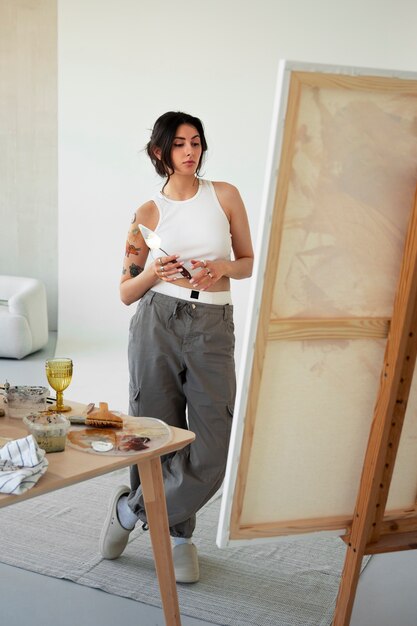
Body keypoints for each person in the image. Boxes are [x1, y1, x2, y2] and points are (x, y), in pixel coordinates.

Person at [99, 111, 254, 583]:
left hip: (211, 322)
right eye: (180, 144)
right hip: (157, 322)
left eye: (197, 142)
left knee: (214, 444)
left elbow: (247, 262)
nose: (191, 152)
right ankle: (180, 536)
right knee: (154, 433)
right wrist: (154, 273)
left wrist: (219, 270)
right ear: (159, 153)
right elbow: (126, 292)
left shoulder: (224, 195)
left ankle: (131, 512)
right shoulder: (147, 213)